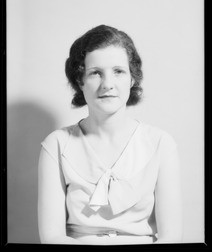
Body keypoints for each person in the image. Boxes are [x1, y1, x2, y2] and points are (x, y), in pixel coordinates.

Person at [38, 25, 183, 245]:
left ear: (132, 79)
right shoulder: (56, 144)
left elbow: (171, 237)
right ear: (80, 80)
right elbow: (52, 237)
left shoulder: (161, 144)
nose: (108, 85)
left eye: (118, 71)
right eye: (95, 73)